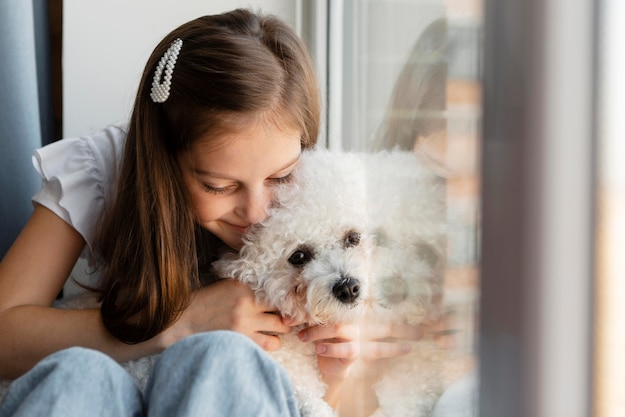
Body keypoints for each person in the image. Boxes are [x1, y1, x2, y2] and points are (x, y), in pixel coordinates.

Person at [0, 8, 370, 415]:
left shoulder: (321, 201)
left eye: (280, 177)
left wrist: (333, 377)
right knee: (78, 376)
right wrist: (180, 322)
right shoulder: (102, 170)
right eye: (219, 186)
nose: (258, 210)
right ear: (165, 158)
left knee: (227, 363)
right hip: (101, 391)